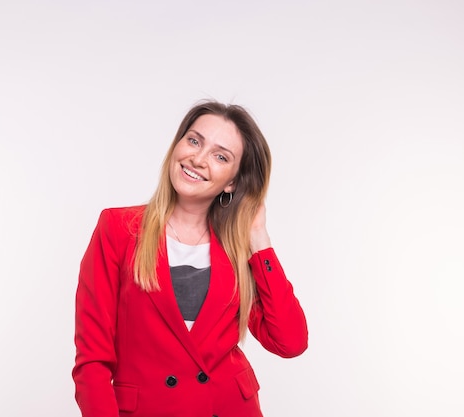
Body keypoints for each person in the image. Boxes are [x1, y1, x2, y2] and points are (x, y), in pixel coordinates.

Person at [72, 100, 308, 417]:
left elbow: (290, 342)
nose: (198, 158)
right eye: (194, 140)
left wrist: (259, 240)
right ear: (177, 145)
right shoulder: (118, 229)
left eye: (220, 156)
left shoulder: (237, 249)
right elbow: (92, 360)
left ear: (233, 181)